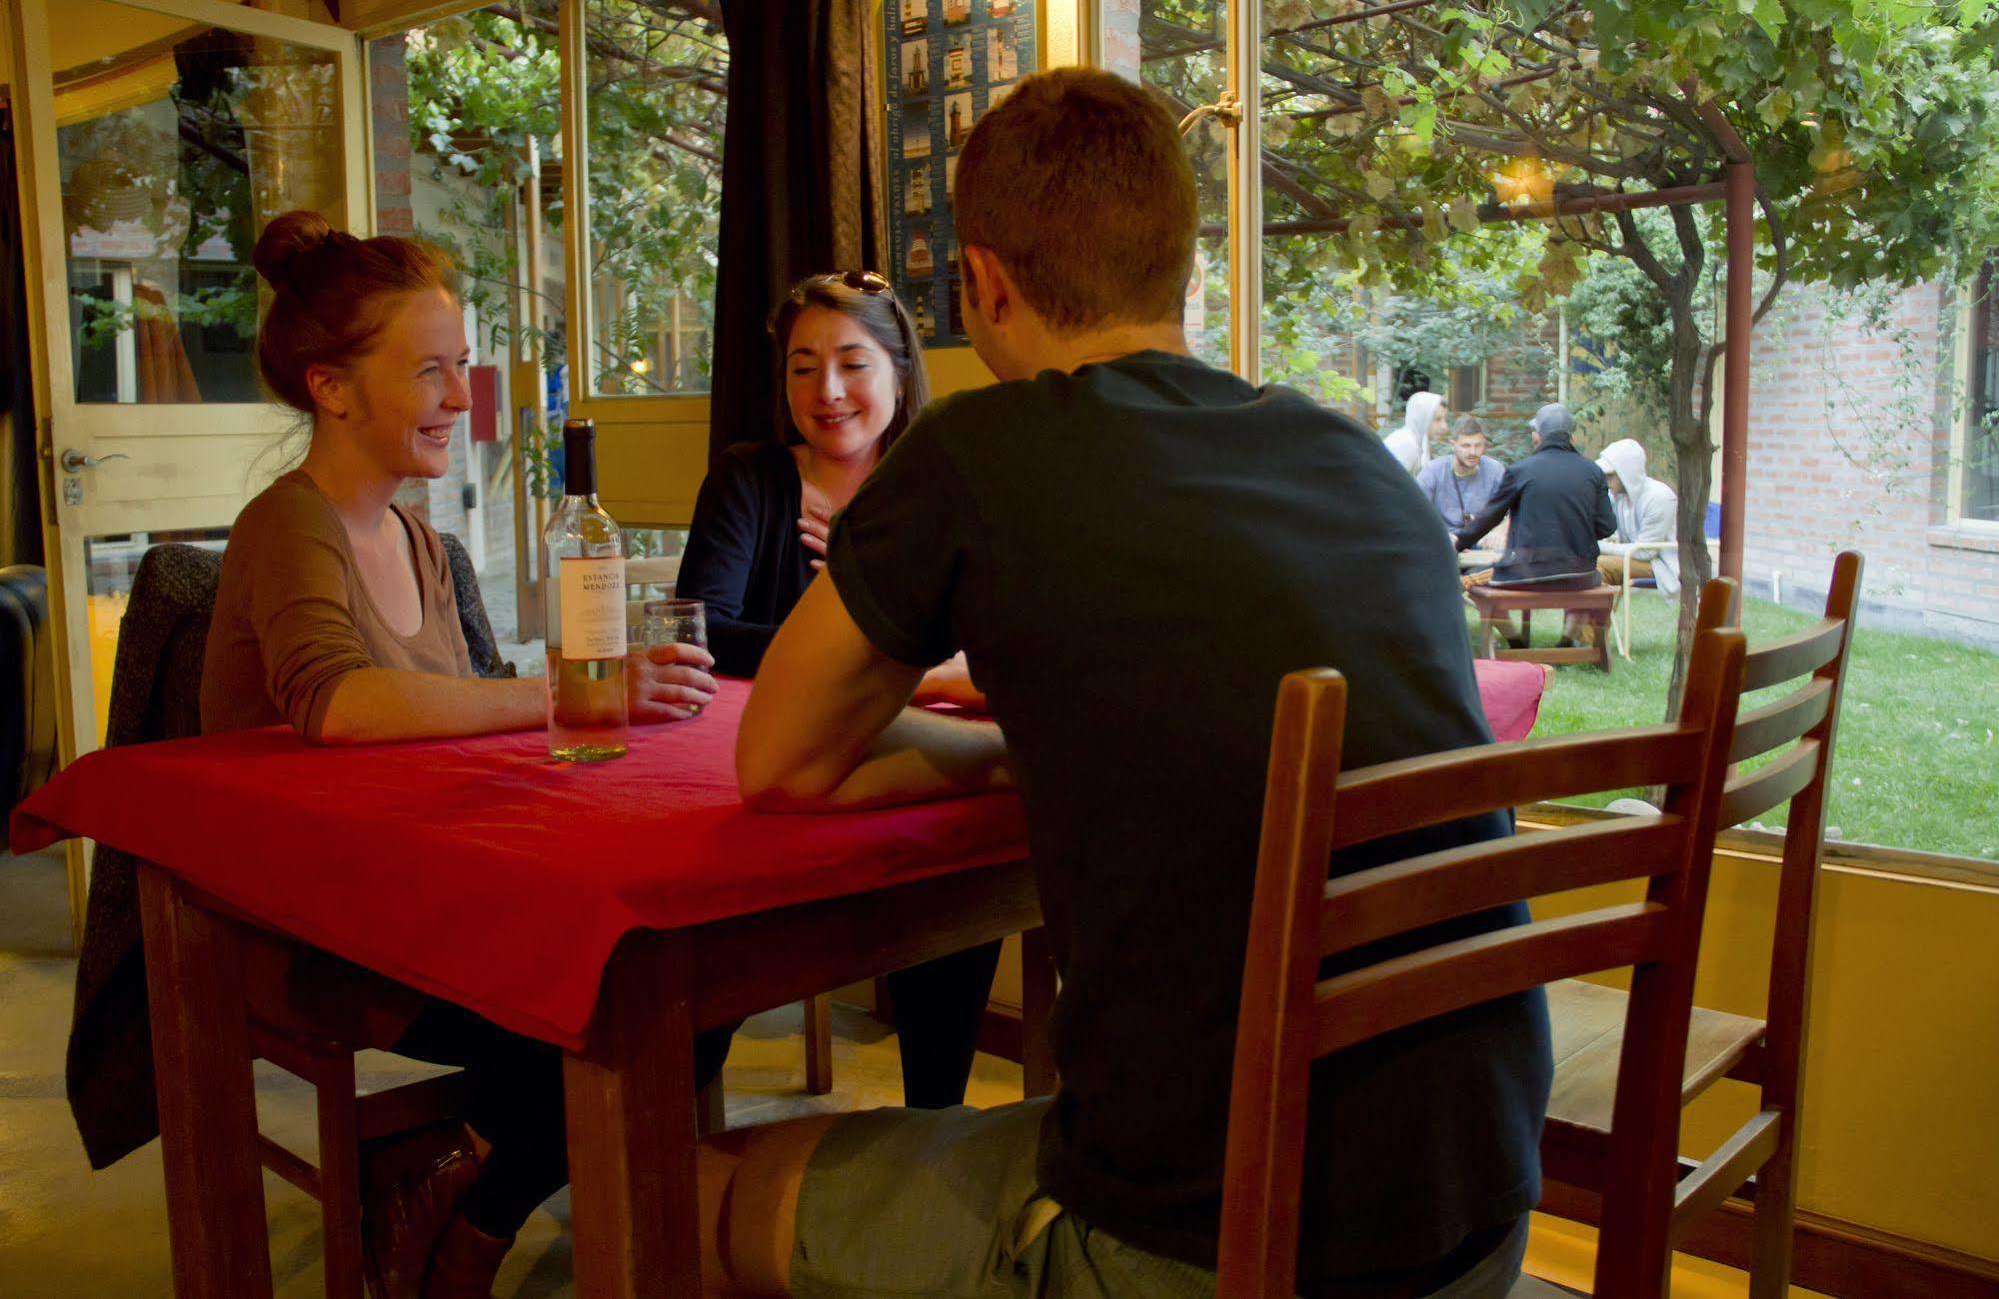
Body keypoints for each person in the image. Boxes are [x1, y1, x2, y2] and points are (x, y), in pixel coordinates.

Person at [701, 69, 1550, 1298]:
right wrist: (1031, 737)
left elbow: (775, 762)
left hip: (1217, 1247)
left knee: (712, 1183)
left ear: (984, 283)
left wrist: (995, 751)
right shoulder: (1351, 456)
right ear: (1183, 274)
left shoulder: (983, 450)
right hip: (1477, 1211)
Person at [202, 211, 725, 1299]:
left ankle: (460, 1188)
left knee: (692, 980)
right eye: (432, 371)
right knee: (630, 998)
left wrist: (601, 698)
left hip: (417, 887)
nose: (460, 398)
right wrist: (574, 691)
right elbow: (337, 705)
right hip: (320, 926)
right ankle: (465, 1213)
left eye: (464, 369)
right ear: (332, 388)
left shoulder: (424, 542)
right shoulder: (288, 525)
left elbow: (470, 709)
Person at [676, 270, 999, 1110]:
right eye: (801, 366)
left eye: (853, 363)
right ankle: (669, 1113)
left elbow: (988, 636)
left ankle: (939, 1117)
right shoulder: (751, 480)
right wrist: (855, 631)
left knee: (953, 857)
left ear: (898, 372)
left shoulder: (936, 492)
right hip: (760, 760)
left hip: (910, 754)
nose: (827, 391)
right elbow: (701, 629)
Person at [1454, 402, 1618, 646]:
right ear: (1572, 437)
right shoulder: (1592, 471)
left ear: (1536, 437)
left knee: (1474, 584)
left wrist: (1459, 542)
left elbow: (1491, 517)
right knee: (1590, 579)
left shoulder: (1521, 470)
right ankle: (1566, 642)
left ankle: (1515, 641)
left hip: (1526, 574)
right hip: (1580, 574)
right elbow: (1607, 526)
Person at [1595, 437, 1681, 598]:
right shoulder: (1620, 497)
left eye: (1610, 476)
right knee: (1583, 562)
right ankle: (1588, 620)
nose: (1605, 481)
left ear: (1626, 473)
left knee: (1598, 566)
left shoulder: (1659, 497)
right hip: (1637, 558)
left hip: (1662, 566)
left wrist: (1598, 547)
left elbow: (1645, 552)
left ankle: (1592, 622)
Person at [1416, 414, 1506, 539]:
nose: (1473, 452)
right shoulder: (1433, 471)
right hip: (1444, 541)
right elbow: (1415, 513)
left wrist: (1500, 531)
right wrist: (1440, 537)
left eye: (1478, 445)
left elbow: (1514, 511)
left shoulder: (1495, 470)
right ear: (1453, 445)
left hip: (1483, 542)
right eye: (1466, 446)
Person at [1381, 387, 1446, 474]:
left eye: (1444, 419)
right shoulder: (1406, 444)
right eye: (1437, 419)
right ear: (1422, 418)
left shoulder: (1418, 441)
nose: (1444, 427)